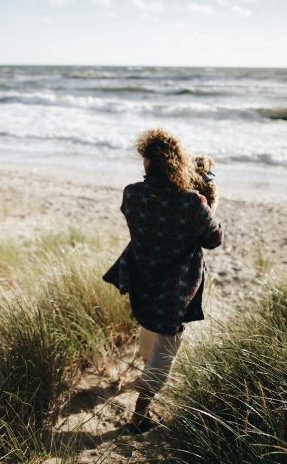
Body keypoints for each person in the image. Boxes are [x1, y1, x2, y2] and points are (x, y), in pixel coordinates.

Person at [103, 128, 223, 434]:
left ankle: (140, 377)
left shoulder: (131, 194)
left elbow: (154, 211)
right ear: (177, 162)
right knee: (164, 353)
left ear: (147, 162)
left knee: (149, 330)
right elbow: (213, 239)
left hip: (142, 280)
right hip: (176, 289)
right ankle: (139, 416)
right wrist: (210, 200)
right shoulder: (193, 202)